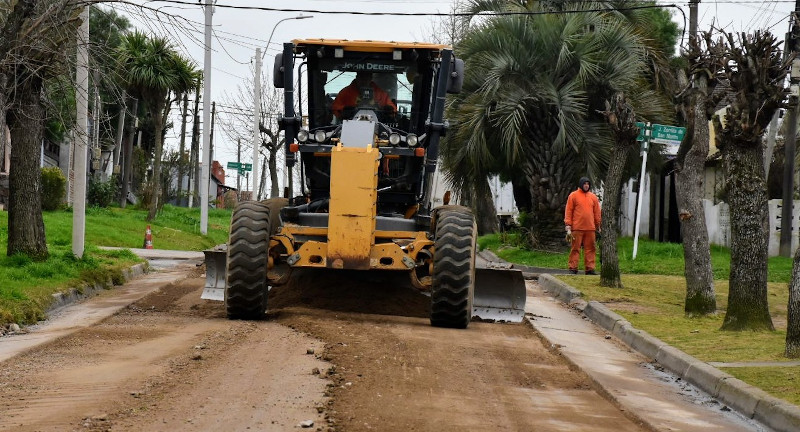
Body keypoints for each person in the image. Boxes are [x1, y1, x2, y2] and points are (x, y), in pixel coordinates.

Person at [564, 176, 601, 275]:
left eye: (588, 184)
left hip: (590, 228)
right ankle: (573, 268)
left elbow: (597, 213)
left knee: (590, 249)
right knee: (575, 249)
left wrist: (598, 225)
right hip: (577, 228)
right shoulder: (573, 196)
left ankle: (590, 269)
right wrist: (568, 225)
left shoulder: (593, 197)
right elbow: (569, 211)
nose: (586, 185)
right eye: (585, 184)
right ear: (581, 184)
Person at [331, 71, 396, 120]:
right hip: (349, 123)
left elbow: (393, 109)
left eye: (367, 77)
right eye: (361, 77)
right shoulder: (346, 93)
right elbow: (335, 107)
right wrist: (344, 110)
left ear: (371, 78)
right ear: (357, 77)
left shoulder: (380, 93)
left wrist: (388, 110)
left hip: (375, 124)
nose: (364, 81)